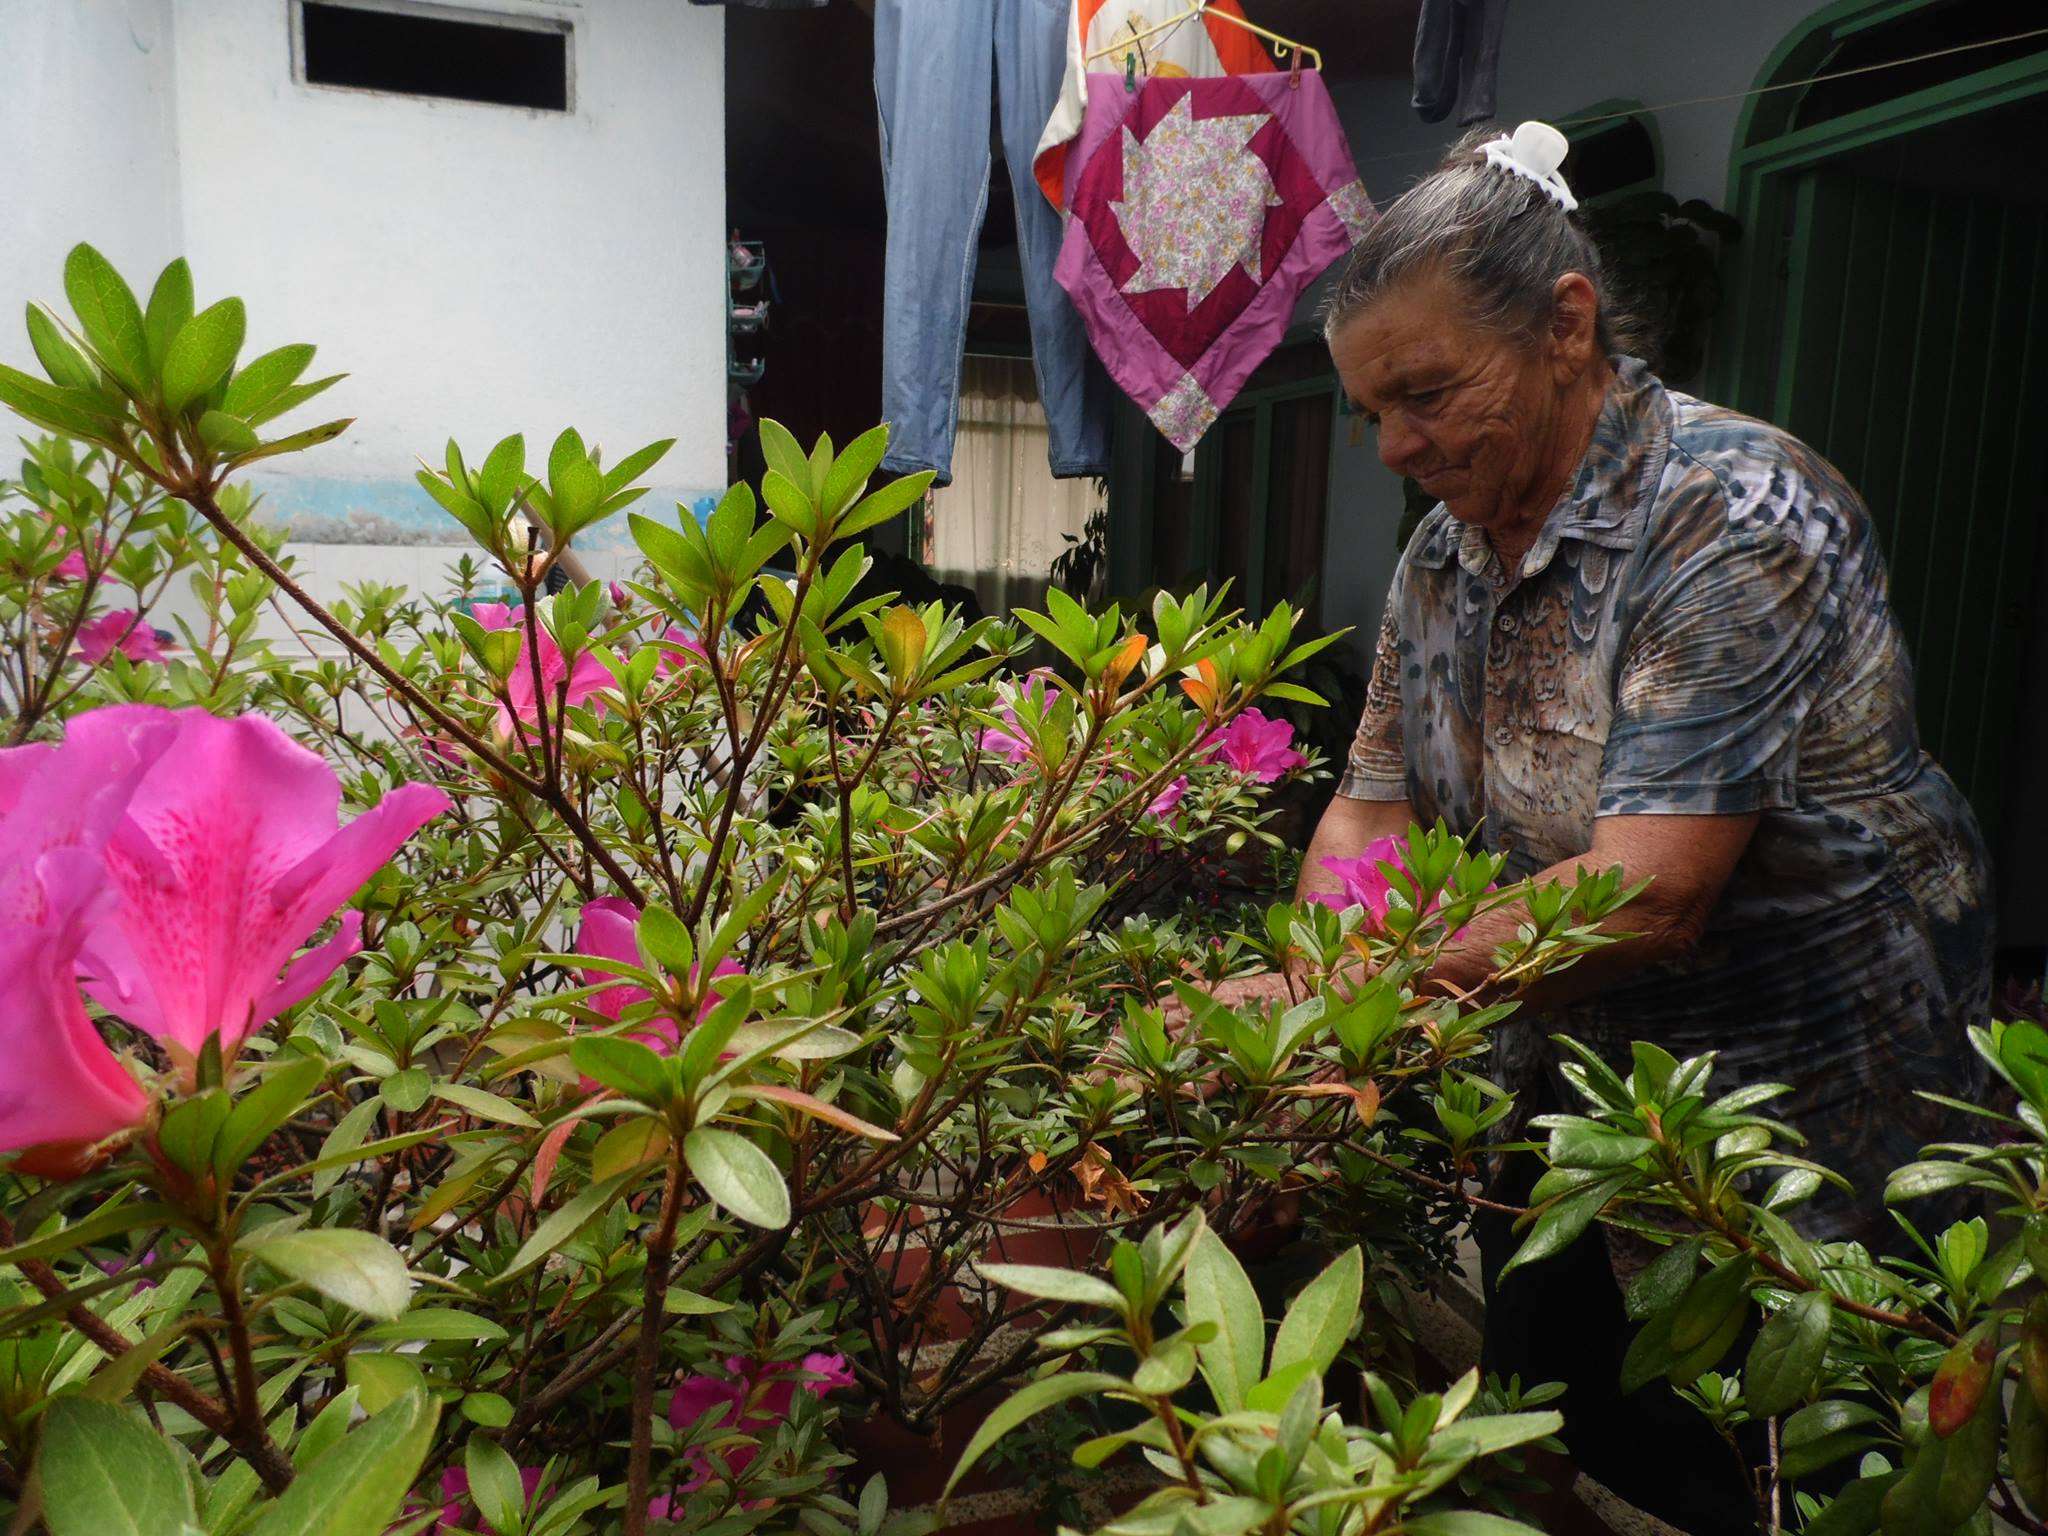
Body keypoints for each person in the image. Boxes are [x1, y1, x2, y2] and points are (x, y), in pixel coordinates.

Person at [1195, 124, 1994, 1529]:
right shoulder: (1444, 555)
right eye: (1373, 410)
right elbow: (1366, 813)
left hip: (1800, 1103)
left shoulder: (1735, 515)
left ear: (1568, 326)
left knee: (1790, 1463)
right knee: (1553, 1404)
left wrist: (1329, 996)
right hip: (1570, 1060)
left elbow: (1649, 895)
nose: (1394, 446)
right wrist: (1311, 1057)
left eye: (1427, 394)